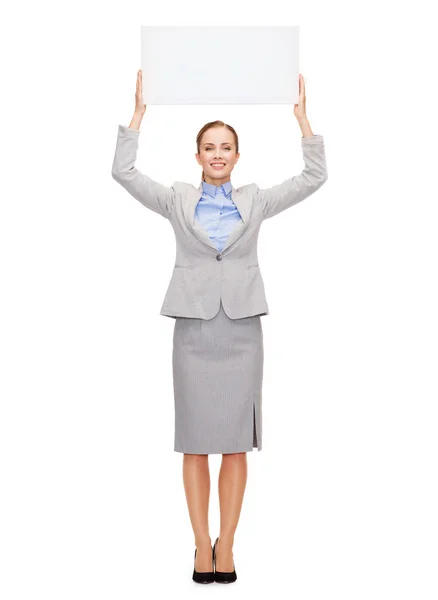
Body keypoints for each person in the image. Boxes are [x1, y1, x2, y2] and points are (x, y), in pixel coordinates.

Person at [111, 69, 328, 584]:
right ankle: (198, 546)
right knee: (193, 441)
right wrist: (138, 115)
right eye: (208, 146)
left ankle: (226, 545)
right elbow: (124, 173)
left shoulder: (255, 200)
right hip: (193, 331)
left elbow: (314, 178)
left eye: (225, 147)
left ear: (236, 155)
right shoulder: (176, 199)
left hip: (241, 332)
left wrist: (302, 119)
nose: (217, 154)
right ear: (197, 155)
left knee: (234, 442)